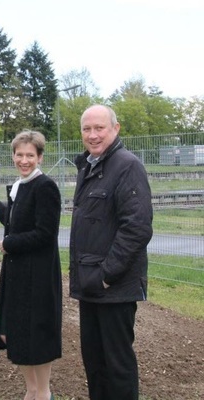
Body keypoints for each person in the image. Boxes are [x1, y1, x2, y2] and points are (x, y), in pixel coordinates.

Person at [70, 105, 153, 400]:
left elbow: (137, 228)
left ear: (116, 129)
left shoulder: (127, 166)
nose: (92, 135)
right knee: (95, 362)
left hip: (112, 287)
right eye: (86, 129)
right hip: (90, 284)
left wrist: (106, 275)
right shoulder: (90, 166)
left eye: (99, 128)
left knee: (117, 365)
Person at [0, 130, 62, 400]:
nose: (24, 160)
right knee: (14, 333)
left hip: (38, 277)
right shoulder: (21, 185)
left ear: (40, 157)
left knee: (37, 337)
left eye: (30, 155)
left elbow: (45, 233)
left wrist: (10, 243)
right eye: (19, 154)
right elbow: (17, 220)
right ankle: (32, 390)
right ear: (13, 156)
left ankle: (42, 393)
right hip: (19, 274)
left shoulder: (45, 187)